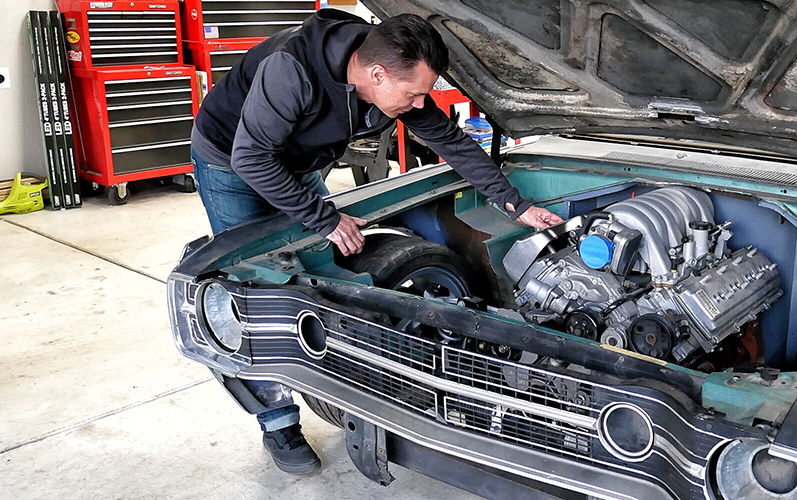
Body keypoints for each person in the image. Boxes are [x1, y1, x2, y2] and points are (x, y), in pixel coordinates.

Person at [189, 9, 563, 474]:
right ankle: (278, 422)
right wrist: (321, 217)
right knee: (251, 293)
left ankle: (343, 371)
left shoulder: (392, 69)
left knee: (323, 268)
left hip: (298, 160)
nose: (418, 102)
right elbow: (252, 157)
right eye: (413, 95)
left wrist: (513, 203)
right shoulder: (292, 71)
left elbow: (451, 141)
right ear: (377, 73)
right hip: (232, 161)